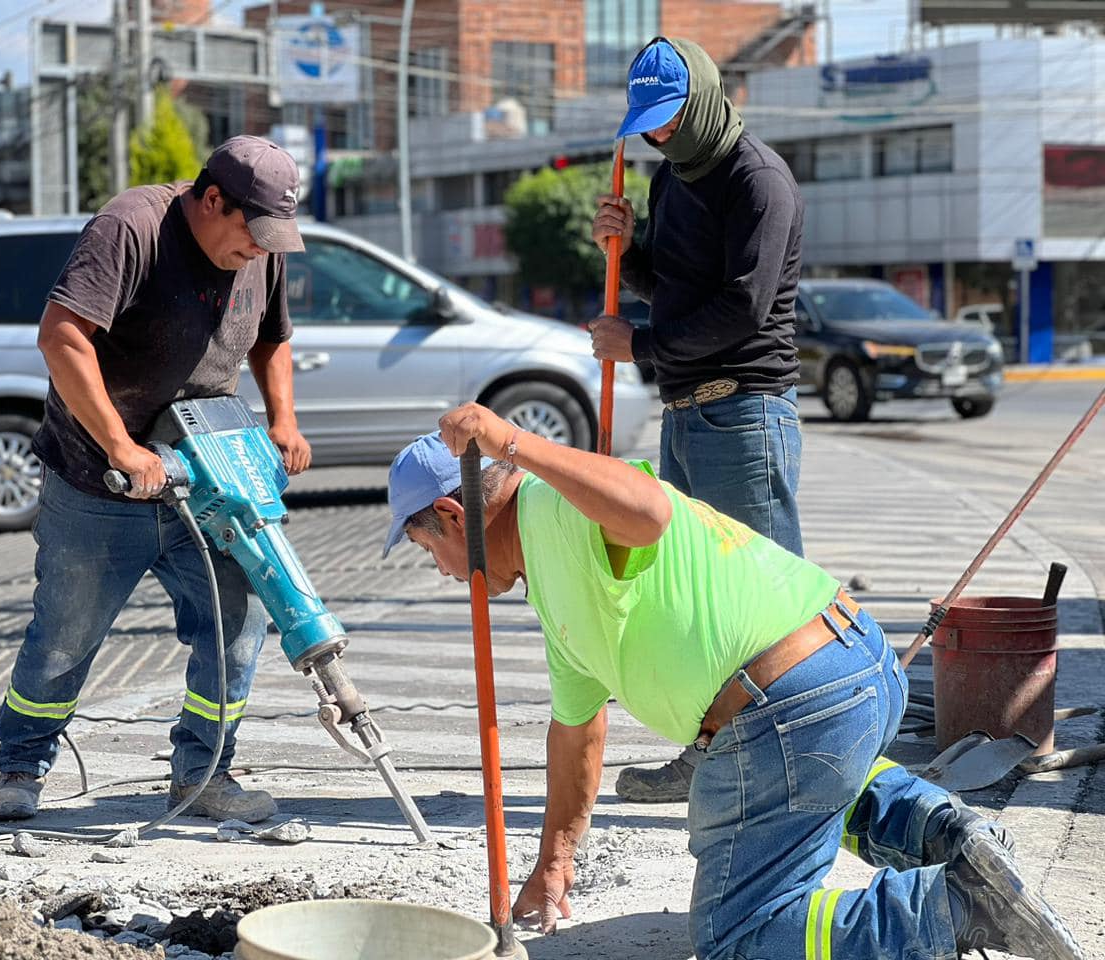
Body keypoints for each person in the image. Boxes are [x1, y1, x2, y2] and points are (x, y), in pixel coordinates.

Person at [381, 402, 1082, 960]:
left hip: (790, 704)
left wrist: (513, 443)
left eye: (427, 550)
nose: (441, 571)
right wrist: (554, 863)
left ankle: (952, 908)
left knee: (741, 937)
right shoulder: (552, 585)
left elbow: (649, 510)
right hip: (848, 667)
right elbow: (576, 732)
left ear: (452, 515)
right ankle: (954, 836)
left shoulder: (554, 508)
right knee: (805, 781)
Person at [0, 135, 312, 824]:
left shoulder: (263, 248)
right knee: (66, 633)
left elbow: (271, 339)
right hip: (100, 482)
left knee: (240, 617)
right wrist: (122, 447)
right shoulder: (133, 228)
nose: (257, 251)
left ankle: (204, 775)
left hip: (206, 477)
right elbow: (62, 335)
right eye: (249, 235)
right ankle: (19, 769)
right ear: (212, 198)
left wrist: (283, 419)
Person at [590, 36, 808, 803]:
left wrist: (640, 345)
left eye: (669, 119)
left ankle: (792, 767)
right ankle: (712, 753)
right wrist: (624, 251)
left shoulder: (758, 181)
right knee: (698, 602)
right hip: (685, 417)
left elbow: (743, 309)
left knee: (766, 601)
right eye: (647, 125)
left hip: (743, 414)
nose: (657, 136)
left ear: (706, 98)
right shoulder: (671, 179)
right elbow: (677, 287)